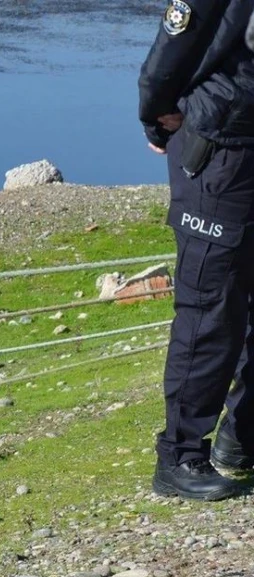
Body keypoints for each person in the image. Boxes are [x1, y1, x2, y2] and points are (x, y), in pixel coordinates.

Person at [139, 0, 254, 500]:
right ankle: (180, 456)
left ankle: (242, 437)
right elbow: (175, 40)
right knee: (211, 306)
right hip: (221, 149)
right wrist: (156, 112)